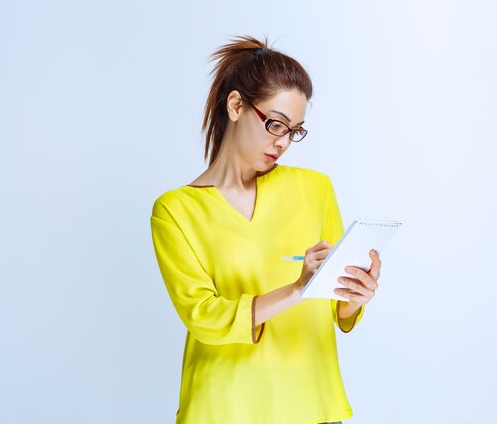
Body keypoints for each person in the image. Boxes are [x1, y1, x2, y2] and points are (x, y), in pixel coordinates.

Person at [150, 35, 382, 424]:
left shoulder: (315, 188)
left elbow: (336, 307)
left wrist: (356, 294)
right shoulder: (176, 211)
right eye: (275, 124)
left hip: (314, 405)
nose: (283, 142)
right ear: (237, 105)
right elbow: (204, 316)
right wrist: (296, 288)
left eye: (294, 131)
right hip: (225, 408)